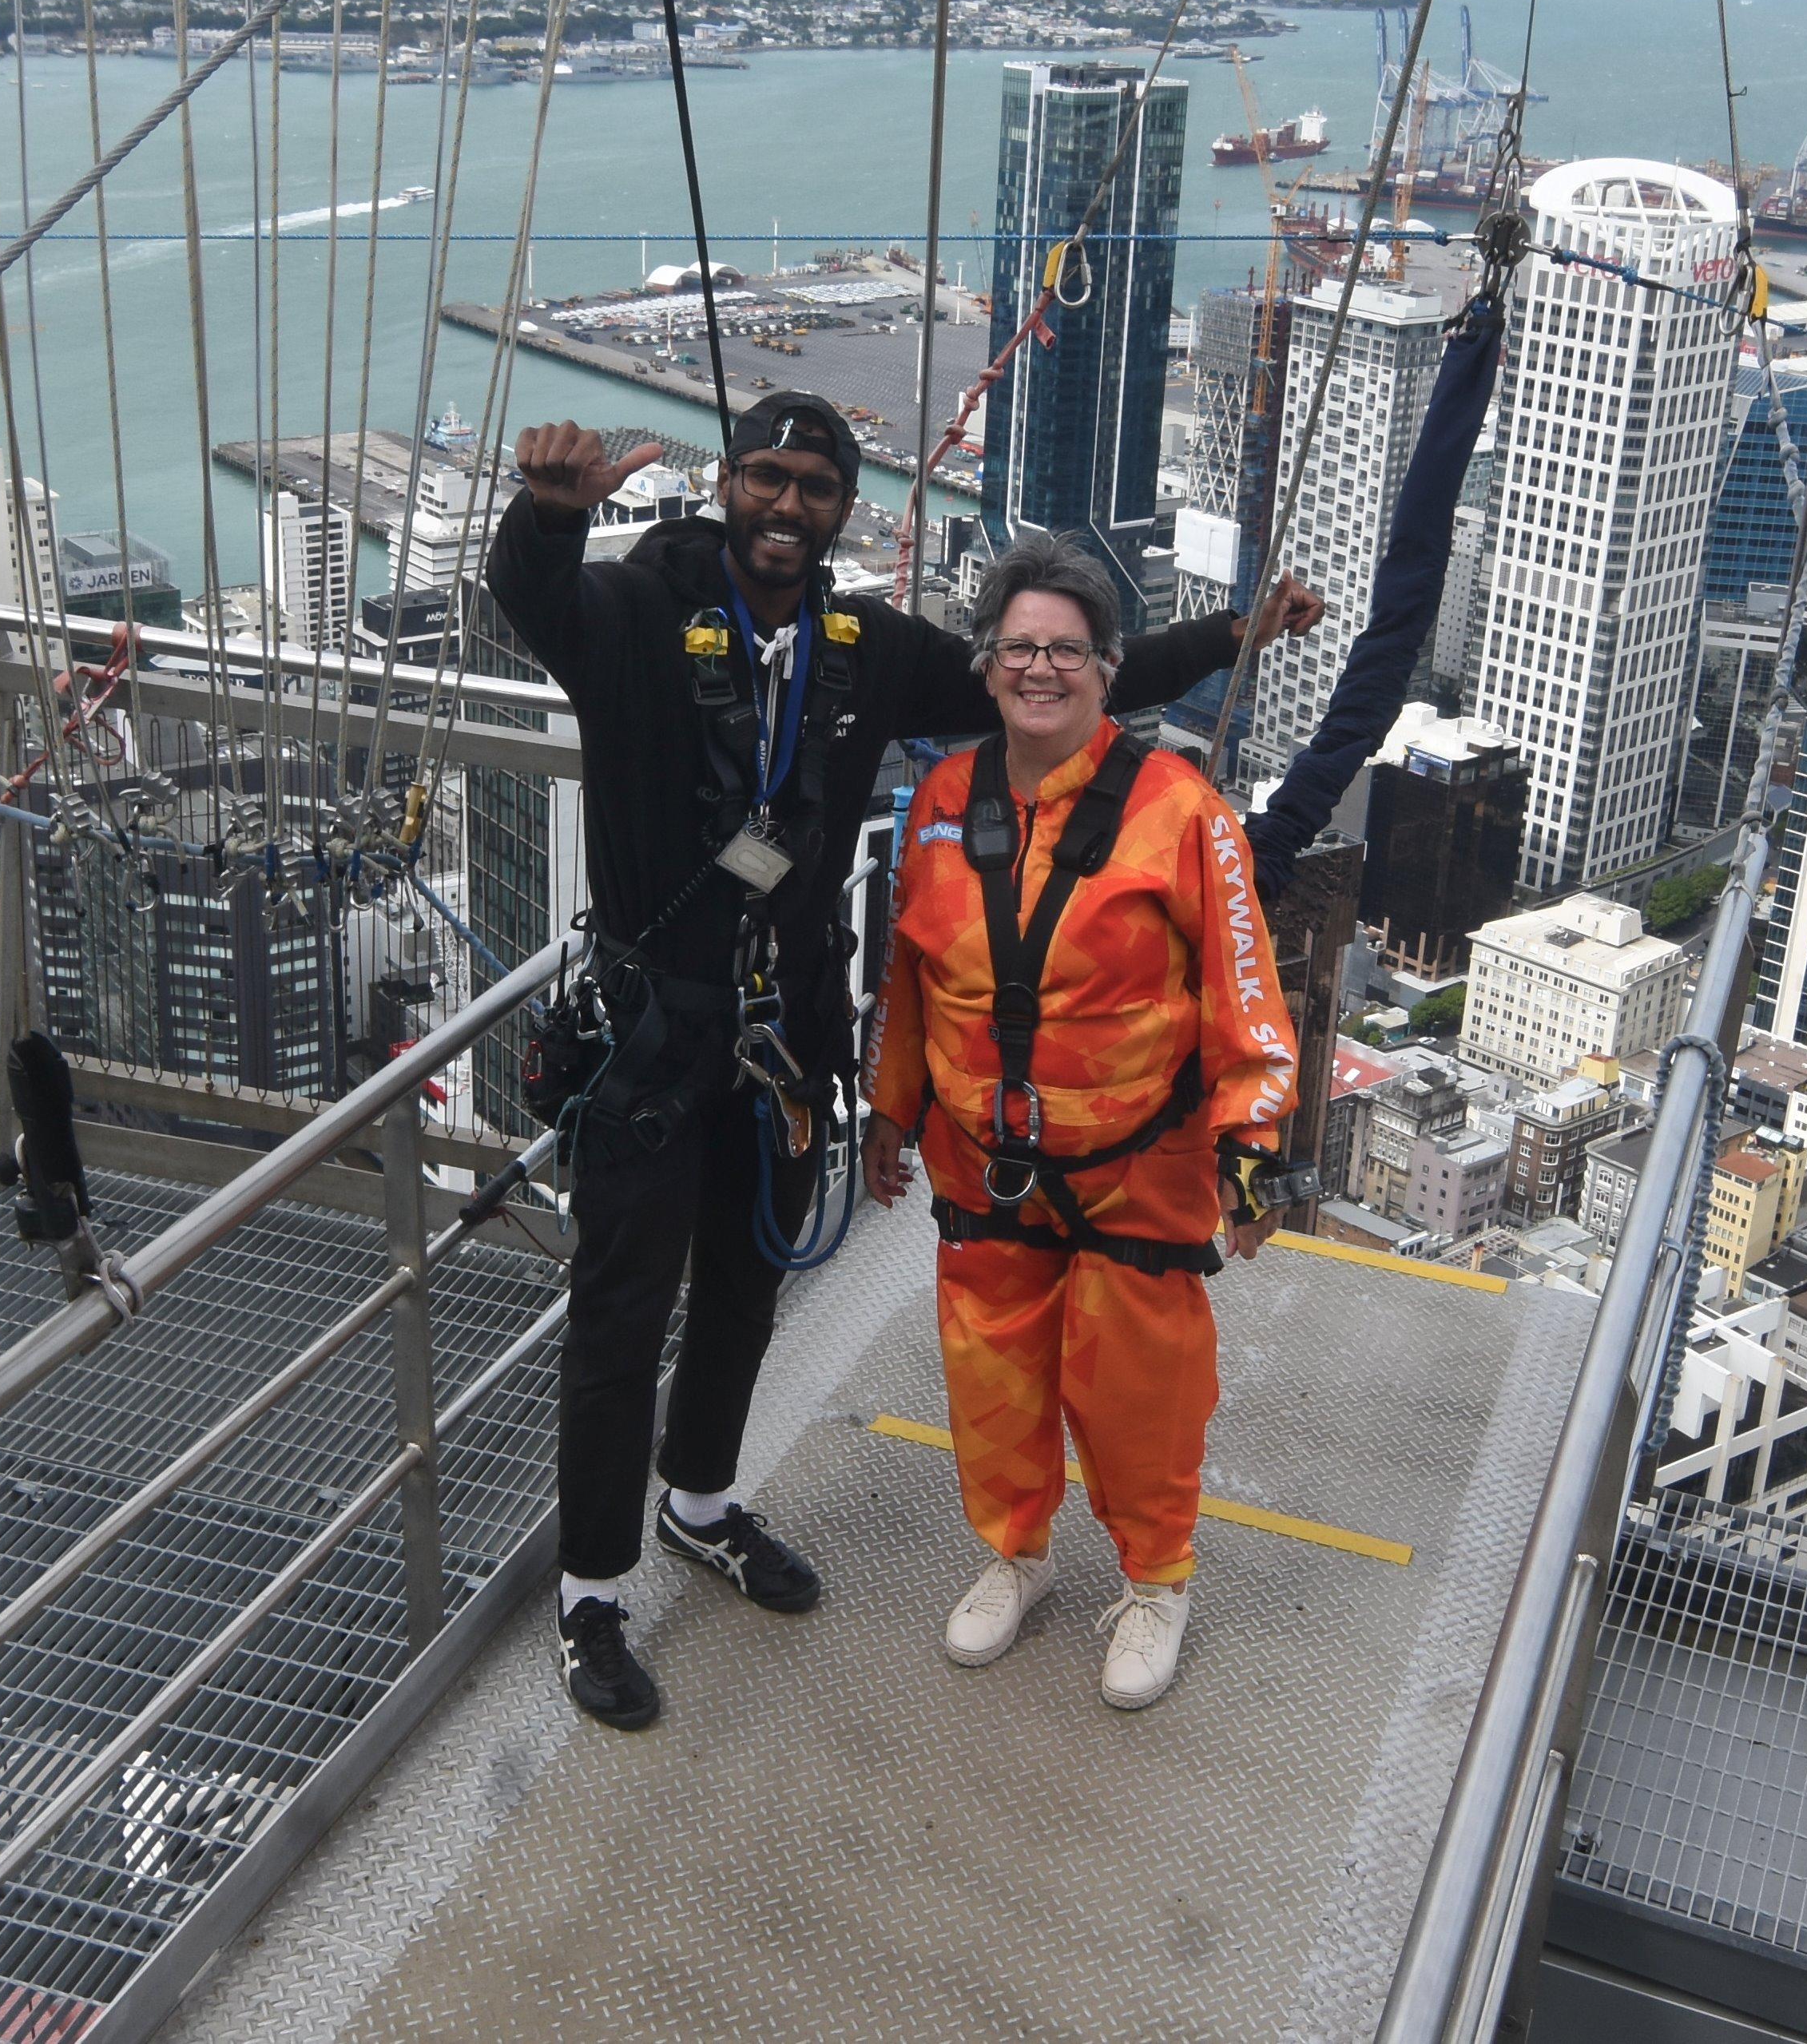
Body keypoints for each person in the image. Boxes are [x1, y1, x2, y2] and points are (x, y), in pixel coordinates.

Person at [483, 395, 1320, 1732]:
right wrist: (547, 515)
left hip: (779, 1037)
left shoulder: (859, 647)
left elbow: (1046, 672)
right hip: (652, 1035)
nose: (786, 505)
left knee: (746, 1286)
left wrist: (1233, 633)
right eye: (766, 477)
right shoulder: (637, 612)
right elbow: (536, 604)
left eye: (815, 487)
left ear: (839, 509)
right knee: (622, 1313)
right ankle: (590, 1593)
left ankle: (701, 1502)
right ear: (727, 482)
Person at [861, 534, 1302, 1712]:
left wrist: (1254, 1148)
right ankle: (1016, 1554)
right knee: (991, 1372)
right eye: (1018, 649)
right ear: (986, 664)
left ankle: (1156, 1581)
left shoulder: (1182, 814)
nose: (1040, 670)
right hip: (982, 1162)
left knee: (1138, 1387)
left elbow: (1244, 991)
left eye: (1066, 651)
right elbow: (911, 977)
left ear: (1109, 668)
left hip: (1135, 1163)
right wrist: (890, 1108)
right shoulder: (941, 804)